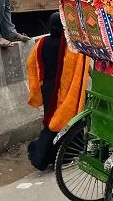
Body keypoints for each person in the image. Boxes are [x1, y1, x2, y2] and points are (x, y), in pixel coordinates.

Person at [26, 12, 89, 170]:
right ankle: (47, 156)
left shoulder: (42, 42)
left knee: (51, 118)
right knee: (62, 121)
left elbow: (31, 63)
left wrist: (37, 83)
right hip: (62, 87)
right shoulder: (70, 45)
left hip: (47, 87)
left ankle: (61, 153)